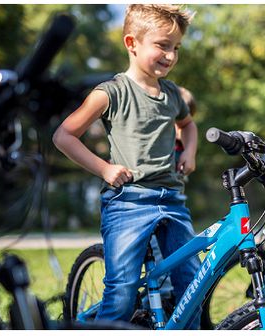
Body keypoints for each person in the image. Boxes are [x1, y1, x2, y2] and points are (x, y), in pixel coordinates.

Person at [53, 5, 201, 329]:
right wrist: (105, 169)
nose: (171, 55)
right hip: (129, 202)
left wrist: (189, 151)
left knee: (192, 283)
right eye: (162, 45)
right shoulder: (111, 92)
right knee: (121, 291)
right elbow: (64, 135)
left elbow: (188, 126)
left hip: (172, 200)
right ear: (132, 43)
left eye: (176, 48)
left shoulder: (173, 94)